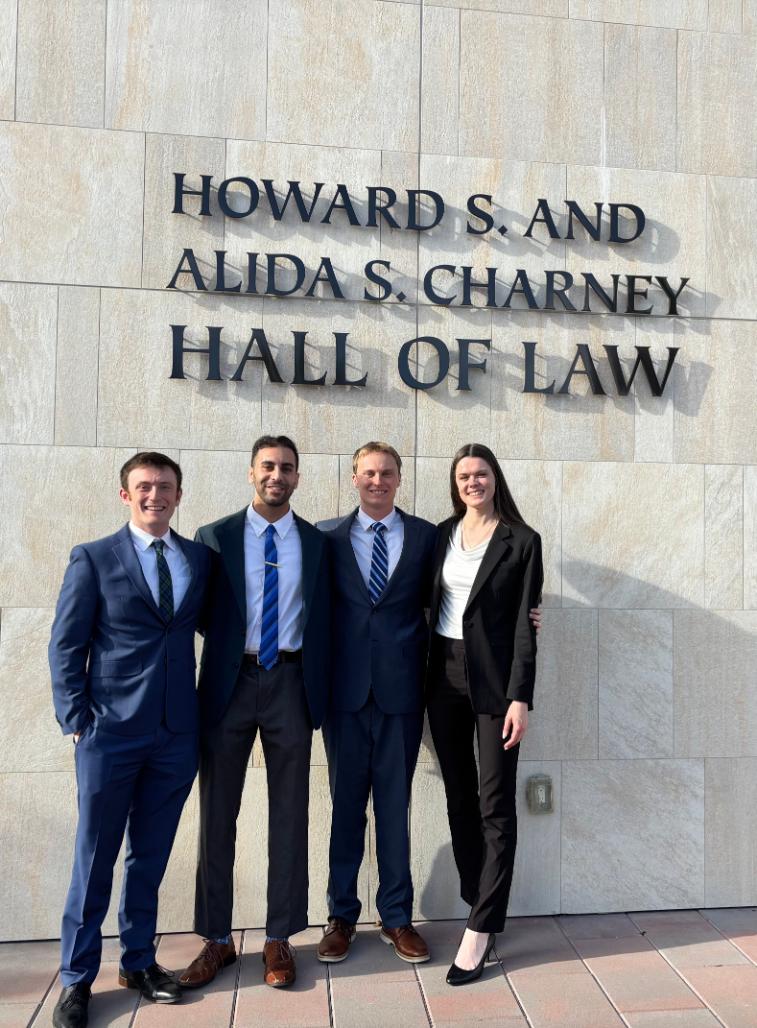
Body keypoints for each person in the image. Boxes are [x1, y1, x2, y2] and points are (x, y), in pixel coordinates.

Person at [49, 452, 211, 1028]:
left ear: (178, 494)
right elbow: (66, 645)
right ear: (126, 495)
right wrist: (76, 720)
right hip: (109, 734)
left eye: (165, 487)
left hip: (175, 735)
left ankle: (138, 962)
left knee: (149, 857)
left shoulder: (198, 558)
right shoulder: (93, 558)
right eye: (144, 487)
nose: (154, 496)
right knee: (94, 859)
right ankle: (75, 981)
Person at [178, 435, 330, 991]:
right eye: (268, 466)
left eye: (287, 468)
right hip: (229, 683)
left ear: (297, 478)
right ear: (250, 473)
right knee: (218, 812)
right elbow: (197, 614)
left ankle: (279, 938)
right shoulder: (214, 538)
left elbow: (327, 616)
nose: (277, 475)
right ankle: (216, 939)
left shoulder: (316, 543)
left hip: (292, 681)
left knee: (291, 813)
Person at [315, 442, 437, 965]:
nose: (378, 481)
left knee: (393, 807)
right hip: (343, 696)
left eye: (387, 473)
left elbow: (455, 598)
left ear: (399, 479)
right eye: (369, 473)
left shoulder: (428, 537)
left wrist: (523, 614)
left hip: (402, 694)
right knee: (346, 808)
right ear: (353, 477)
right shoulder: (325, 537)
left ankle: (396, 918)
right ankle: (341, 916)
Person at [426, 443, 543, 986]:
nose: (473, 482)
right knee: (458, 796)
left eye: (481, 474)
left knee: (495, 802)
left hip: (496, 685)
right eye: (464, 475)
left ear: (496, 479)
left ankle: (481, 927)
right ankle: (479, 899)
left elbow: (525, 623)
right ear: (455, 484)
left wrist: (522, 696)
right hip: (441, 677)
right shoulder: (439, 536)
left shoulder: (522, 541)